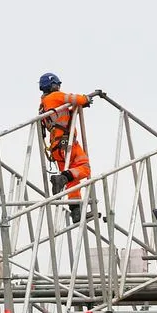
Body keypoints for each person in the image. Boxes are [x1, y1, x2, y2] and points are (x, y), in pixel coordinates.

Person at [38, 72, 102, 222]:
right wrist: (86, 99)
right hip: (67, 143)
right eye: (57, 84)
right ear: (52, 85)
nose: (59, 86)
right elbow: (76, 99)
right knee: (84, 168)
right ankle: (62, 178)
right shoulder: (55, 97)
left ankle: (76, 212)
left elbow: (62, 115)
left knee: (72, 179)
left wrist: (77, 108)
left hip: (56, 148)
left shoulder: (43, 105)